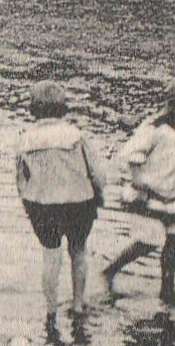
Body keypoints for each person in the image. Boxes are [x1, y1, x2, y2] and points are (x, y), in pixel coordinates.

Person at [103, 74, 175, 304]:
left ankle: (167, 290)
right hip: (149, 195)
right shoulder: (154, 128)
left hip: (172, 196)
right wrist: (140, 181)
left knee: (174, 242)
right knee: (149, 241)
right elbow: (131, 154)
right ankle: (110, 270)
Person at [16, 81, 108, 317]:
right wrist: (99, 193)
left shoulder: (25, 139)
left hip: (43, 205)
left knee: (50, 256)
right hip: (79, 202)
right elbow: (98, 172)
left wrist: (28, 202)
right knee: (78, 252)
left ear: (32, 109)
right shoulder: (77, 135)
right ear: (63, 109)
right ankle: (78, 304)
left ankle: (50, 311)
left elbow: (21, 179)